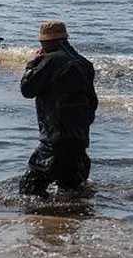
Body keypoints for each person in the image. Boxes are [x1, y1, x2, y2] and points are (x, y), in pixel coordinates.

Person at [18, 19, 98, 197]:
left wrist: (32, 64)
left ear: (44, 43)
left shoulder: (50, 61)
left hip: (53, 146)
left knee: (27, 194)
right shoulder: (84, 63)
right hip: (80, 145)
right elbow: (93, 104)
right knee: (73, 196)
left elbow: (27, 90)